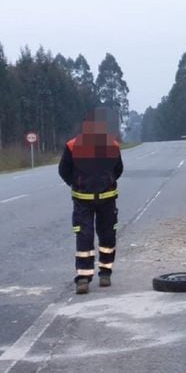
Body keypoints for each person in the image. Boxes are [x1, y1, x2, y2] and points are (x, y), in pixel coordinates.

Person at [58, 108, 124, 295]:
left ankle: (105, 273)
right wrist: (78, 184)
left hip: (107, 200)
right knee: (84, 238)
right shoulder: (72, 146)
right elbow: (64, 170)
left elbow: (118, 169)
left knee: (107, 237)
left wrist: (107, 182)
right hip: (82, 202)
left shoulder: (112, 145)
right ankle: (83, 278)